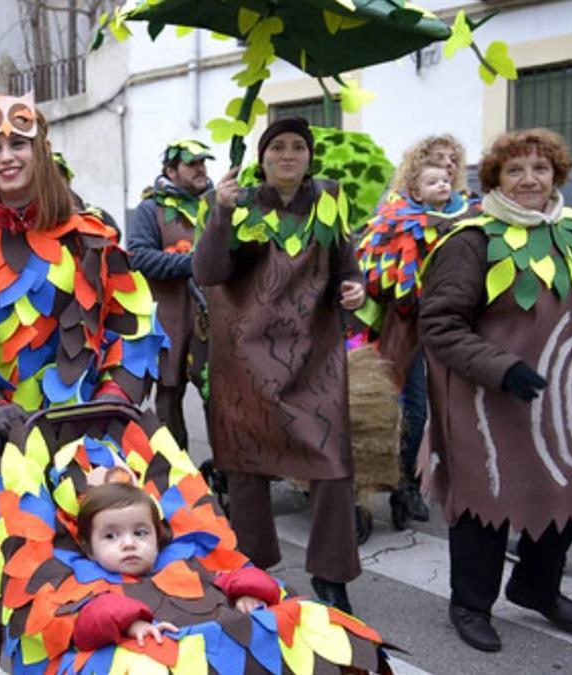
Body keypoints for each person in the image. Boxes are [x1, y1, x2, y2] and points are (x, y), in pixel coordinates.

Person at [0, 92, 162, 674]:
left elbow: (132, 318)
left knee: (72, 563)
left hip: (77, 430)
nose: (7, 157)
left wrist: (116, 395)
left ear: (40, 149)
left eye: (18, 144)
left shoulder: (89, 235)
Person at [419, 128, 572, 652]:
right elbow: (441, 324)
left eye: (540, 169)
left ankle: (536, 587)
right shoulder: (473, 239)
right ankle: (470, 604)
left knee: (560, 493)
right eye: (515, 170)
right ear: (494, 178)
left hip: (561, 396)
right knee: (484, 502)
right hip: (485, 399)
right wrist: (502, 368)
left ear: (557, 176)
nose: (529, 180)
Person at [193, 117, 364, 614]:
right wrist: (219, 216)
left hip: (316, 355)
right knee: (246, 467)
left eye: (297, 147)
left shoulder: (331, 197)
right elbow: (207, 272)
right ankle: (253, 569)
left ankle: (331, 576)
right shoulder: (232, 200)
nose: (288, 155)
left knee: (333, 466)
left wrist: (354, 288)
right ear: (261, 158)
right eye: (277, 147)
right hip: (245, 355)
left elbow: (346, 268)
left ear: (310, 157)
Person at [357, 142, 480, 529]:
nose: (445, 174)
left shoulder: (468, 216)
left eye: (450, 169)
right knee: (409, 407)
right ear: (414, 179)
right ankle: (399, 485)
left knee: (446, 409)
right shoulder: (393, 218)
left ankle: (417, 481)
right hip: (406, 327)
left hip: (457, 326)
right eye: (434, 170)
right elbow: (375, 276)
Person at [70, 475, 280, 651]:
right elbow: (87, 625)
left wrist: (247, 593)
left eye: (140, 533)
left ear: (157, 538)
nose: (129, 544)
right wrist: (131, 624)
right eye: (110, 536)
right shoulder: (94, 586)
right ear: (89, 549)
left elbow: (232, 576)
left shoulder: (185, 563)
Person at [127, 139, 213, 448]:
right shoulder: (151, 209)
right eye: (193, 164)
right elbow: (138, 256)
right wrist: (190, 263)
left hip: (211, 325)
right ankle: (173, 479)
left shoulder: (217, 205)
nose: (201, 169)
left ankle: (227, 477)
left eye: (203, 163)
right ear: (171, 171)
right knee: (167, 406)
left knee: (219, 401)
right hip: (168, 325)